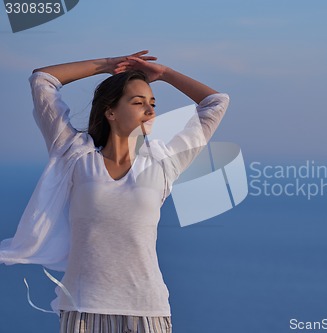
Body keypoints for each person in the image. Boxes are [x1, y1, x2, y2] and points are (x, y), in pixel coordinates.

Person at [0, 50, 230, 333]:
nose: (150, 111)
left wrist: (165, 74)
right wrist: (107, 66)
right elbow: (43, 80)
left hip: (147, 311)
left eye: (152, 103)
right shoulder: (75, 155)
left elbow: (216, 102)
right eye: (138, 102)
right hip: (83, 310)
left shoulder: (163, 163)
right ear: (110, 112)